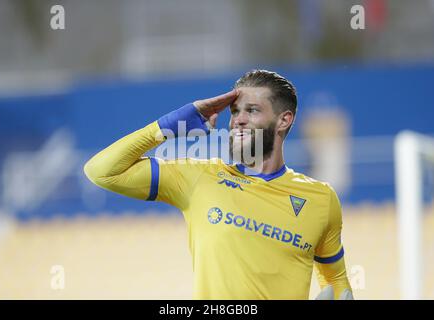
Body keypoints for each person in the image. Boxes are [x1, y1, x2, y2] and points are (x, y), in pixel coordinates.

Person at [84, 69, 353, 300]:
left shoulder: (321, 199)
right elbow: (102, 171)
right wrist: (167, 126)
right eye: (235, 111)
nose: (238, 120)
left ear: (284, 120)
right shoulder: (198, 176)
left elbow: (337, 283)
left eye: (253, 110)